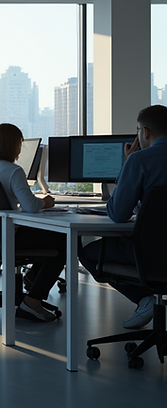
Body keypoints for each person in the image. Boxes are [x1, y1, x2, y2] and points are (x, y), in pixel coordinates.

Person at [80, 104, 167, 330]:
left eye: (138, 130)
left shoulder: (140, 161)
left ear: (145, 132)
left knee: (86, 252)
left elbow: (118, 214)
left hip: (148, 254)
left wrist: (127, 163)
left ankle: (144, 299)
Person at [0, 123, 65, 322]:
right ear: (12, 145)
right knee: (63, 241)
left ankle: (32, 279)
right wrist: (46, 202)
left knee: (48, 239)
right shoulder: (14, 171)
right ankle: (33, 300)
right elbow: (31, 206)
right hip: (10, 237)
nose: (21, 149)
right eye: (19, 144)